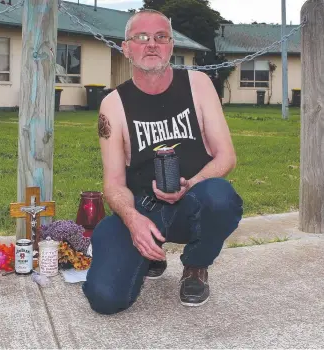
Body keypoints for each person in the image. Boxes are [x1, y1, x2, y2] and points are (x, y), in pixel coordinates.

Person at [83, 9, 243, 314]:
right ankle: (146, 254)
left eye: (161, 37)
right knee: (106, 299)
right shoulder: (112, 105)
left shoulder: (198, 85)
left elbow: (227, 157)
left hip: (192, 203)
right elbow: (114, 183)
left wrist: (191, 184)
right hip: (145, 211)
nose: (152, 44)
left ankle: (195, 266)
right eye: (141, 38)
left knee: (221, 198)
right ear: (126, 48)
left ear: (171, 45)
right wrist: (132, 221)